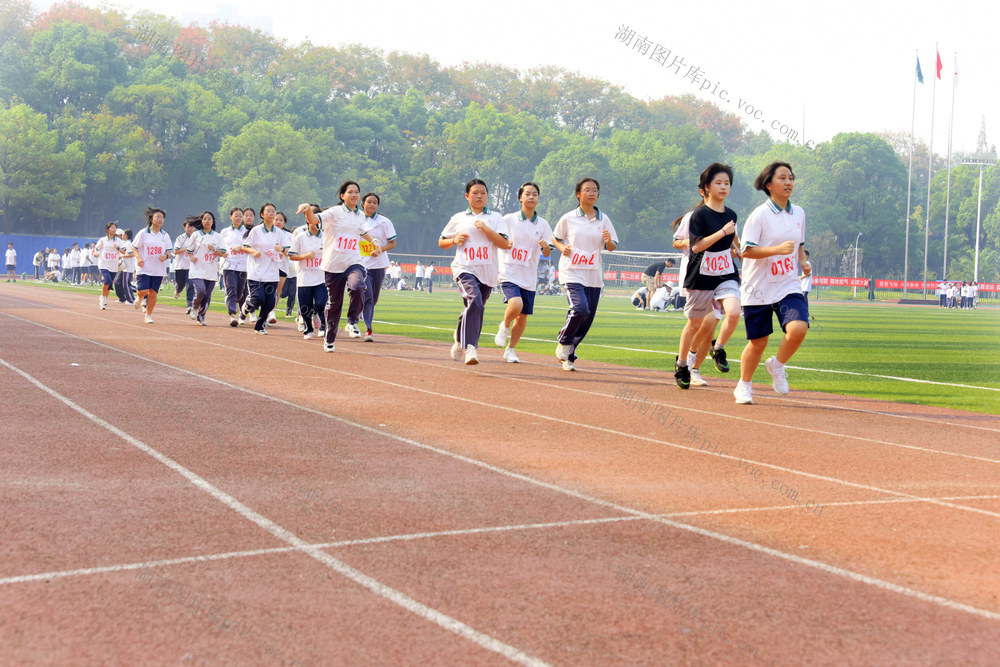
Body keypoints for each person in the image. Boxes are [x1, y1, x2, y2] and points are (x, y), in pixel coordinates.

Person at [735, 162, 810, 404]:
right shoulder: (760, 215)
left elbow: (798, 245)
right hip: (758, 287)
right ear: (769, 184)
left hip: (788, 284)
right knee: (758, 342)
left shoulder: (799, 212)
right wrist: (776, 250)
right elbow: (745, 251)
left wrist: (803, 261)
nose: (789, 182)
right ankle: (744, 385)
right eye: (782, 178)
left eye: (791, 177)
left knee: (798, 328)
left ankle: (777, 365)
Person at [675, 163, 743, 389]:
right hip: (701, 273)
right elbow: (696, 247)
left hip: (725, 272)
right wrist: (722, 233)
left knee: (733, 313)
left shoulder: (732, 214)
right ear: (706, 187)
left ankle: (719, 348)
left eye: (727, 183)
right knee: (695, 324)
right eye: (719, 183)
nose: (724, 187)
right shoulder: (698, 215)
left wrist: (740, 251)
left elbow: (734, 239)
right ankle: (683, 364)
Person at [298, 181, 379, 353]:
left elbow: (360, 231)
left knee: (358, 287)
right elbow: (313, 220)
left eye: (357, 192)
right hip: (333, 265)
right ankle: (329, 337)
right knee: (334, 304)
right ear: (342, 196)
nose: (354, 195)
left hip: (353, 261)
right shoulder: (333, 213)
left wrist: (374, 241)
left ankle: (352, 322)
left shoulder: (360, 215)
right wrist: (307, 210)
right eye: (350, 192)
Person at [439, 178, 511, 365]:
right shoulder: (458, 218)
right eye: (475, 193)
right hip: (464, 267)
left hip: (488, 272)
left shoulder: (495, 218)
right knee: (474, 301)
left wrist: (486, 229)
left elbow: (504, 244)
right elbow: (441, 242)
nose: (479, 196)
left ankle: (458, 338)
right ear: (467, 196)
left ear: (488, 195)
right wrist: (455, 240)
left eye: (483, 193)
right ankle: (470, 347)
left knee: (475, 307)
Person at [551, 177, 618, 371]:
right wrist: (563, 247)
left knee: (587, 319)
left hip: (593, 274)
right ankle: (564, 341)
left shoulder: (603, 219)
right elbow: (555, 238)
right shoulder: (568, 218)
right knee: (580, 309)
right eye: (587, 190)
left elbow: (612, 246)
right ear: (578, 194)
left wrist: (608, 241)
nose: (591, 193)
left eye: (595, 190)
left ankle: (569, 353)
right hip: (571, 271)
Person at [494, 182, 553, 363]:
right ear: (520, 197)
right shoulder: (508, 220)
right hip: (509, 271)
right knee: (516, 304)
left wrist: (545, 247)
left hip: (528, 275)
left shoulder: (543, 225)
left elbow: (548, 251)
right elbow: (497, 239)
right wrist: (505, 243)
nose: (531, 197)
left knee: (523, 316)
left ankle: (510, 349)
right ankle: (504, 326)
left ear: (538, 198)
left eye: (534, 194)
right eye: (527, 194)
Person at [240, 203, 285, 336]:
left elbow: (287, 249)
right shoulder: (256, 231)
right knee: (258, 298)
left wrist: (281, 249)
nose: (271, 213)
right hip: (256, 272)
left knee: (270, 303)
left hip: (272, 273)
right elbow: (244, 246)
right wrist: (253, 251)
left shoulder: (279, 233)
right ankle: (247, 304)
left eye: (273, 211)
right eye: (268, 211)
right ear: (262, 214)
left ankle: (259, 326)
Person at [359, 192, 397, 342]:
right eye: (369, 202)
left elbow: (393, 243)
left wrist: (380, 249)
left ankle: (363, 312)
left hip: (379, 264)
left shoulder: (384, 222)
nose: (372, 205)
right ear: (363, 203)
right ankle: (368, 329)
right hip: (361, 264)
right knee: (367, 296)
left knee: (373, 298)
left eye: (375, 202)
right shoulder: (357, 220)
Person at [288, 205, 327, 340]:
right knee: (305, 306)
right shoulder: (300, 237)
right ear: (308, 220)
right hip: (304, 277)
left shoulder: (327, 237)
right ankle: (308, 329)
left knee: (322, 303)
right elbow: (291, 256)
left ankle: (315, 313)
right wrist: (304, 256)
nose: (317, 224)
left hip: (321, 277)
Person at [132, 207, 174, 324]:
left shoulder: (165, 235)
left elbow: (169, 252)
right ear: (152, 219)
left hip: (158, 269)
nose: (160, 220)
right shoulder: (143, 233)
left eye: (162, 218)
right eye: (157, 217)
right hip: (144, 267)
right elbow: (134, 248)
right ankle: (139, 298)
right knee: (143, 290)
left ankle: (148, 315)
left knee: (153, 293)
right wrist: (138, 257)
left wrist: (165, 256)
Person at [184, 211, 223, 326]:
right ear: (201, 221)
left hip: (211, 270)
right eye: (205, 219)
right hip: (197, 269)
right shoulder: (196, 235)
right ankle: (194, 307)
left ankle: (201, 316)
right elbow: (189, 251)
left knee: (207, 296)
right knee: (201, 291)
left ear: (213, 221)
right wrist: (192, 257)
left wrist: (214, 249)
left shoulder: (217, 237)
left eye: (209, 219)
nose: (207, 221)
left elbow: (223, 253)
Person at [221, 207, 251, 327]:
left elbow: (250, 246)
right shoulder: (225, 232)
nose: (238, 218)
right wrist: (222, 252)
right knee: (231, 289)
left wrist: (241, 247)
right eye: (236, 216)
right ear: (231, 217)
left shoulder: (247, 232)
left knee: (240, 292)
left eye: (240, 216)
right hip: (229, 264)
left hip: (243, 265)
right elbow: (221, 246)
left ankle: (236, 302)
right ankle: (232, 314)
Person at [94, 222, 123, 309]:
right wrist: (96, 252)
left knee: (109, 284)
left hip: (113, 265)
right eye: (112, 228)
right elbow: (96, 248)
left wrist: (117, 248)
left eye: (115, 228)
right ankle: (103, 298)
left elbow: (123, 251)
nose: (114, 230)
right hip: (103, 264)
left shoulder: (119, 241)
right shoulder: (102, 240)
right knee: (107, 281)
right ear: (107, 229)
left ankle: (105, 298)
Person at [172, 218, 197, 314]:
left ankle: (189, 305)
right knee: (180, 284)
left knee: (190, 285)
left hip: (191, 266)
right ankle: (178, 290)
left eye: (191, 227)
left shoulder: (197, 237)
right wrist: (187, 249)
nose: (190, 229)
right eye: (188, 227)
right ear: (185, 228)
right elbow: (176, 251)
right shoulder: (180, 238)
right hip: (180, 266)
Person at [114, 229, 136, 304]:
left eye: (123, 234)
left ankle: (131, 300)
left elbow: (132, 254)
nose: (122, 236)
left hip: (128, 266)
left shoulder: (128, 244)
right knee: (126, 284)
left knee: (126, 284)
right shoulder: (126, 243)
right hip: (125, 266)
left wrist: (122, 256)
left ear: (126, 235)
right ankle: (132, 298)